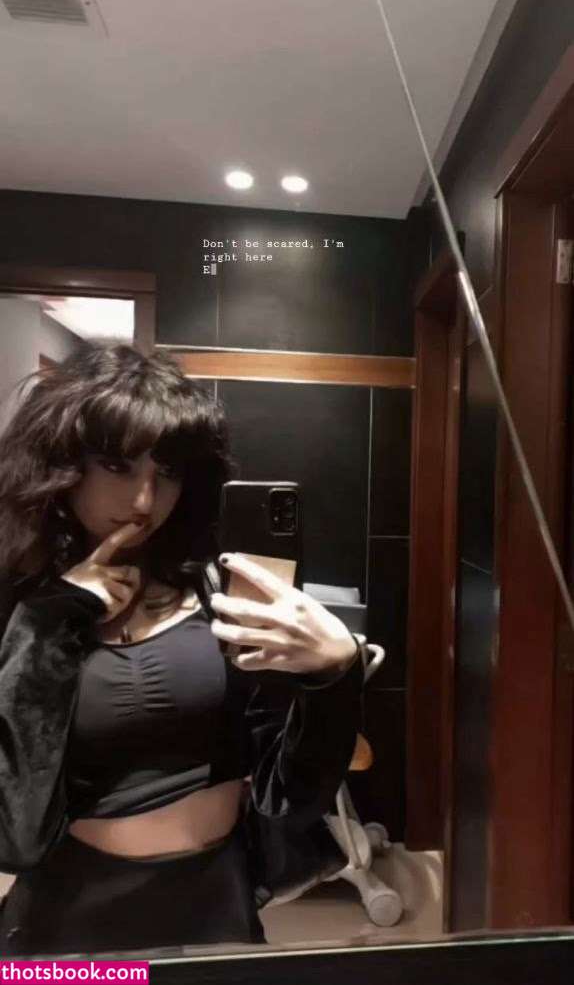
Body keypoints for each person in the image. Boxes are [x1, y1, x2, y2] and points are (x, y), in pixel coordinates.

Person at [0, 342, 365, 956]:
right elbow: (14, 829)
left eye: (167, 472)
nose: (145, 501)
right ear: (62, 462)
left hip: (218, 905)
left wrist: (333, 676)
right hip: (73, 923)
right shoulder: (21, 602)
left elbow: (289, 797)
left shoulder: (215, 592)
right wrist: (53, 618)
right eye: (117, 466)